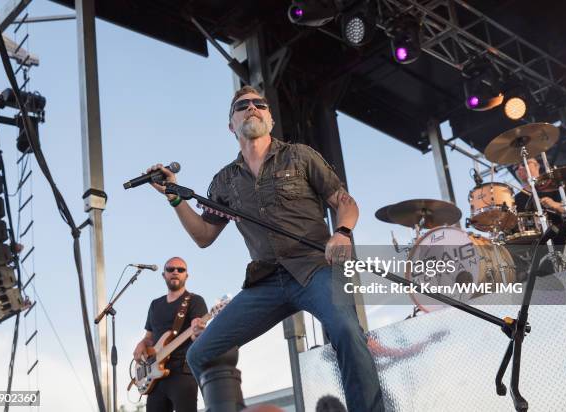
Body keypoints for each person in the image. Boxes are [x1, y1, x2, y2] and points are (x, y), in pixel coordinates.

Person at [146, 85, 383, 411]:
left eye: (260, 104)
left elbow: (345, 203)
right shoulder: (224, 182)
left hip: (314, 269)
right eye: (242, 105)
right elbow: (204, 235)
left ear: (270, 118)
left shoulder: (300, 156)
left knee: (345, 328)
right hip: (267, 280)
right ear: (232, 125)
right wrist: (174, 197)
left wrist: (342, 231)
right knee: (201, 352)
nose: (252, 108)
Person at [133, 257, 208, 412]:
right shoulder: (155, 304)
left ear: (186, 275)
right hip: (155, 375)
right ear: (163, 275)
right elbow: (149, 338)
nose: (175, 272)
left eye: (180, 270)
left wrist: (197, 332)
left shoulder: (195, 301)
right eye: (170, 269)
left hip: (182, 371)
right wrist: (141, 344)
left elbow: (197, 334)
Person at [513, 157, 566, 245]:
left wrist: (555, 205)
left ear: (537, 166)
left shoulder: (561, 188)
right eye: (516, 168)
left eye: (524, 163)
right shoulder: (516, 200)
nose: (520, 168)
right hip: (539, 248)